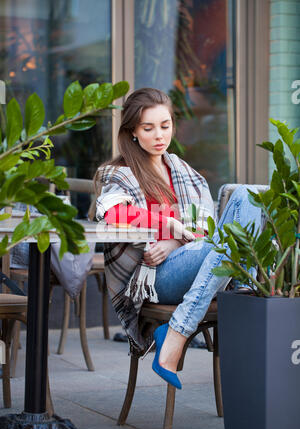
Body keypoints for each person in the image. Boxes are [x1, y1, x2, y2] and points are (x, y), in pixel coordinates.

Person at [94, 87, 262, 390]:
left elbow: (206, 229)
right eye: (148, 128)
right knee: (228, 243)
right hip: (155, 278)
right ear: (132, 130)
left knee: (246, 196)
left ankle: (184, 328)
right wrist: (168, 224)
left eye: (165, 125)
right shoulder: (119, 173)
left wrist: (174, 240)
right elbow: (113, 215)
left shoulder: (183, 171)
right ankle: (215, 324)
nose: (159, 135)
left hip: (196, 264)